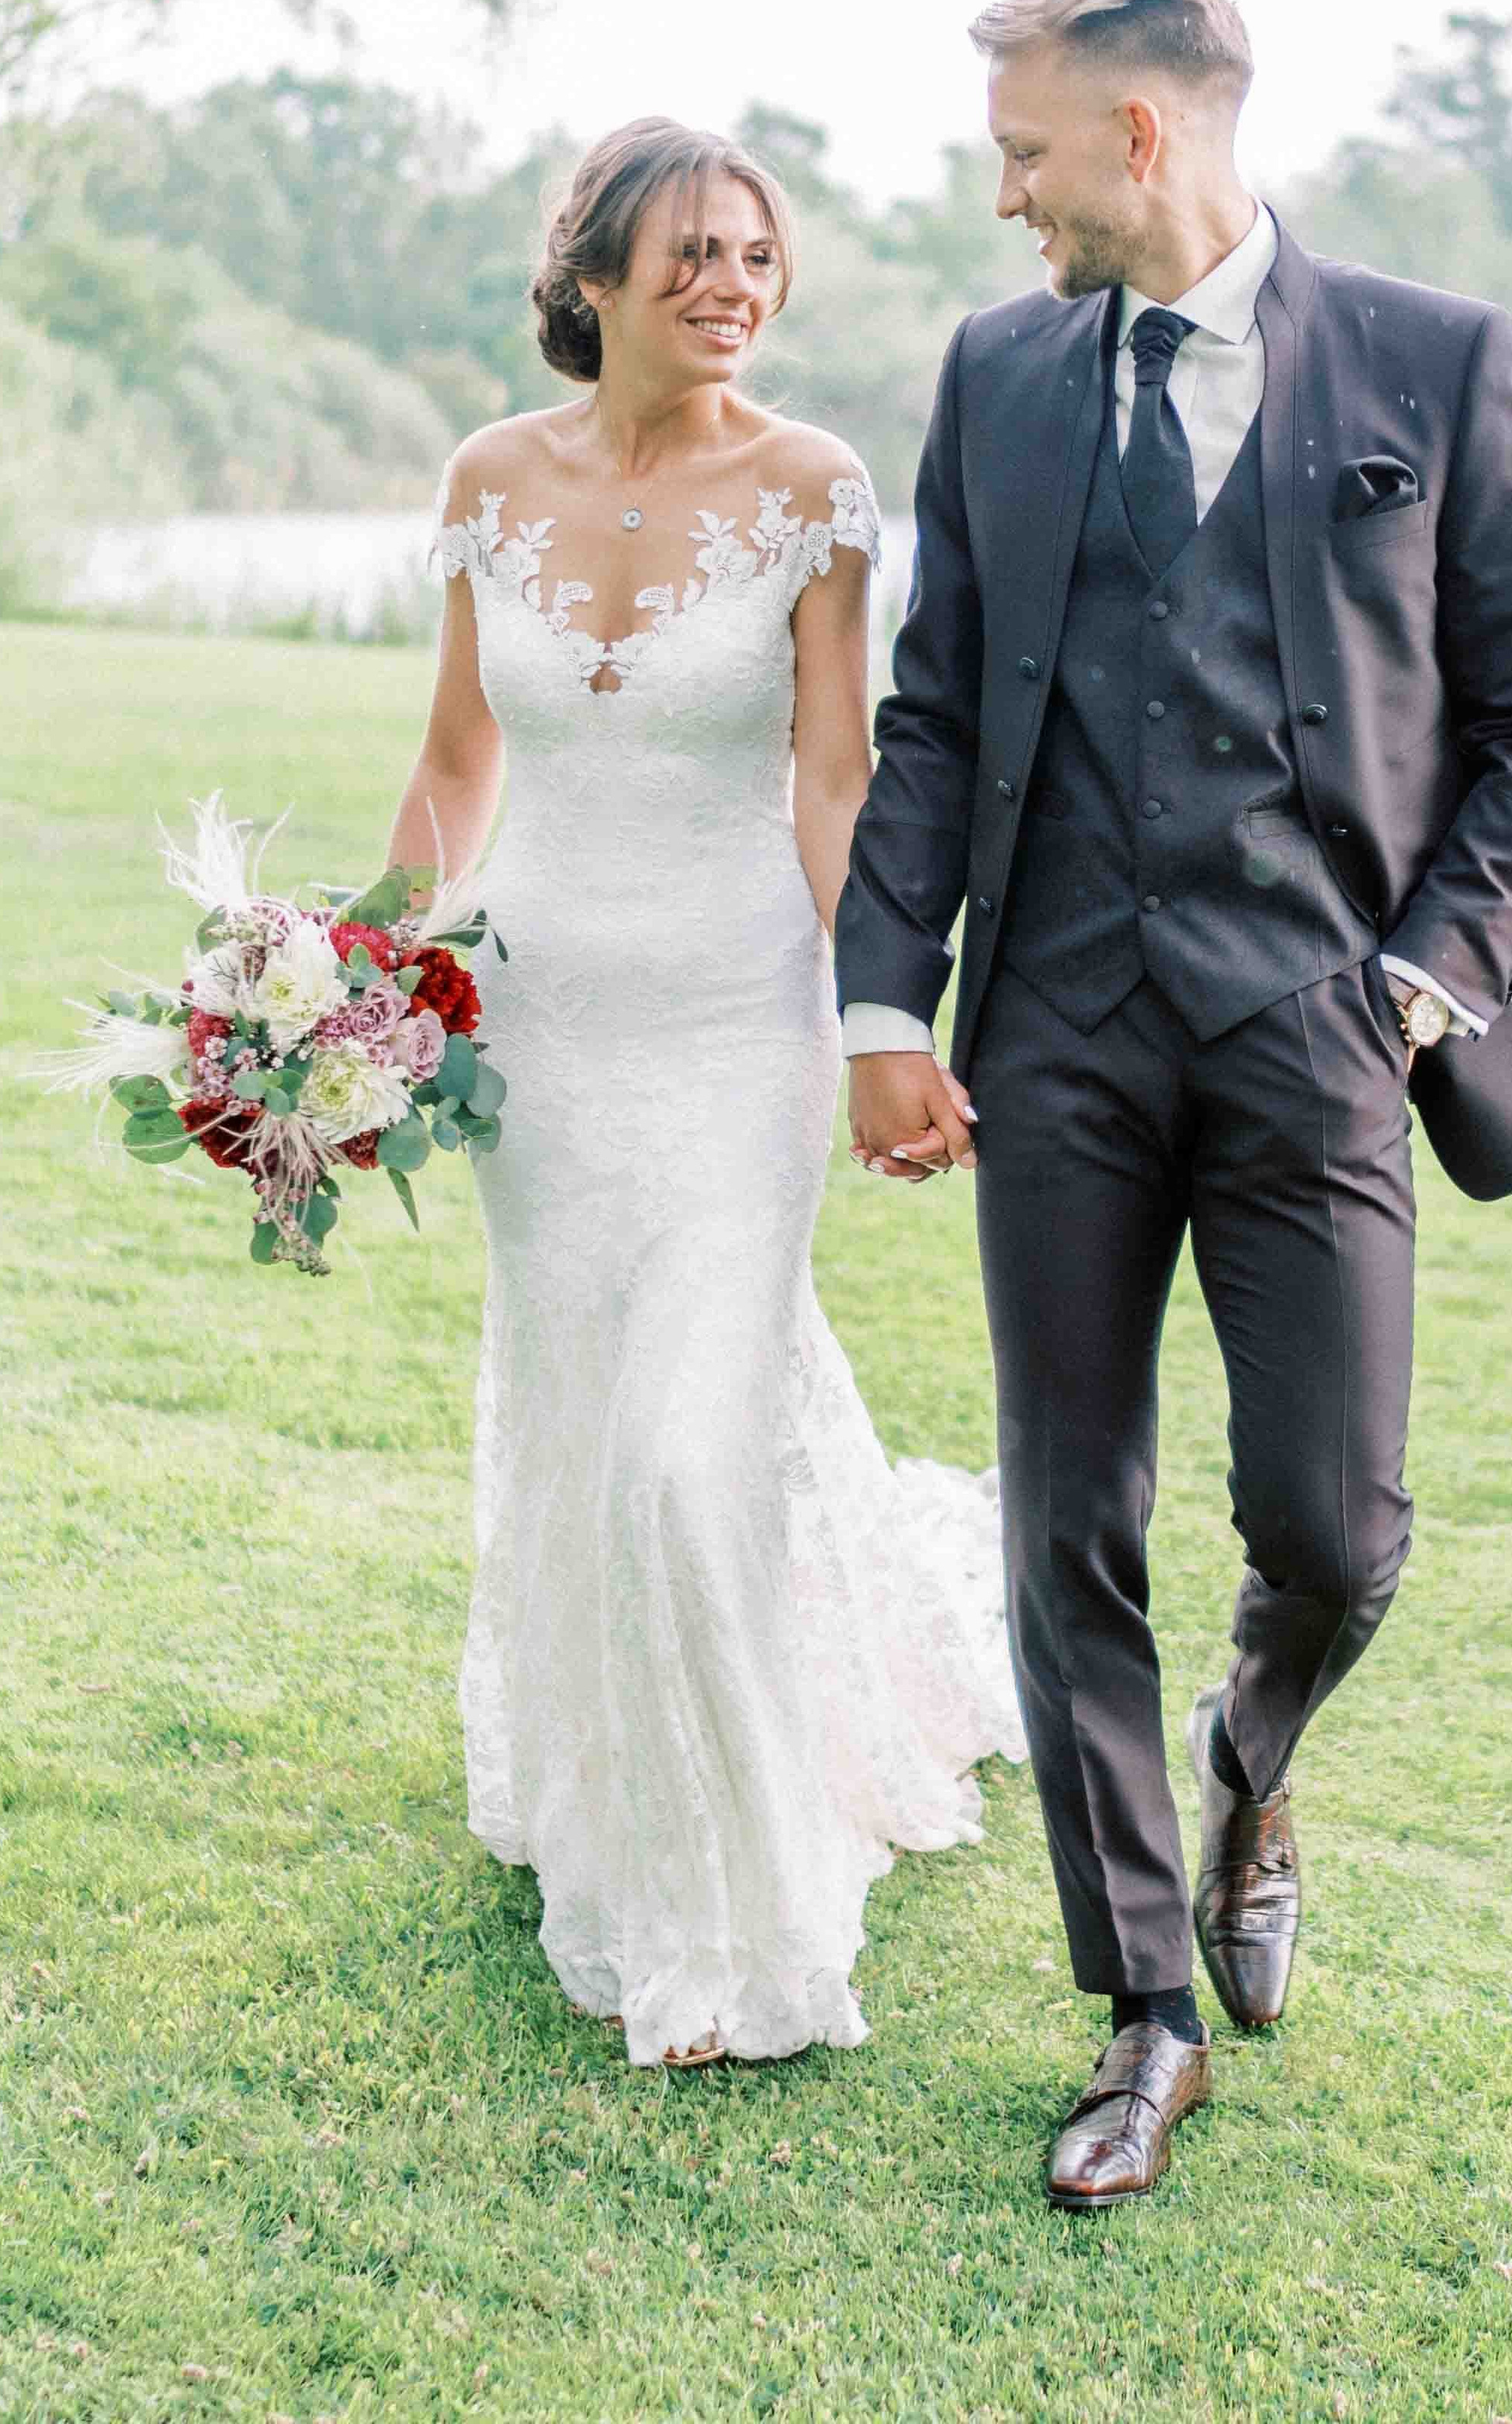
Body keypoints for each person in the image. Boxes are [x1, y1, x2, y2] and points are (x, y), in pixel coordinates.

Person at [837, 0, 1512, 2206]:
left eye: (1026, 153)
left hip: (1323, 1034)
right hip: (1058, 1032)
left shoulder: (1436, 366)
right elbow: (942, 713)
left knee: (1338, 1528)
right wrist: (891, 999)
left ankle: (1253, 1754)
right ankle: (1143, 2010)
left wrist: (1415, 985)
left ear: (1142, 134)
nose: (1009, 202)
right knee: (1068, 1521)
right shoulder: (994, 380)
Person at [389, 117, 1022, 2069]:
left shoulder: (816, 493)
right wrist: (352, 988)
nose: (732, 286)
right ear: (589, 276)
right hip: (539, 1038)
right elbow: (451, 767)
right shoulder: (491, 478)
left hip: (736, 1028)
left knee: (685, 1449)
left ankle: (745, 1916)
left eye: (756, 256)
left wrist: (877, 1025)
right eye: (688, 256)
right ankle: (605, 1794)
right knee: (585, 1427)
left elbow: (834, 786)